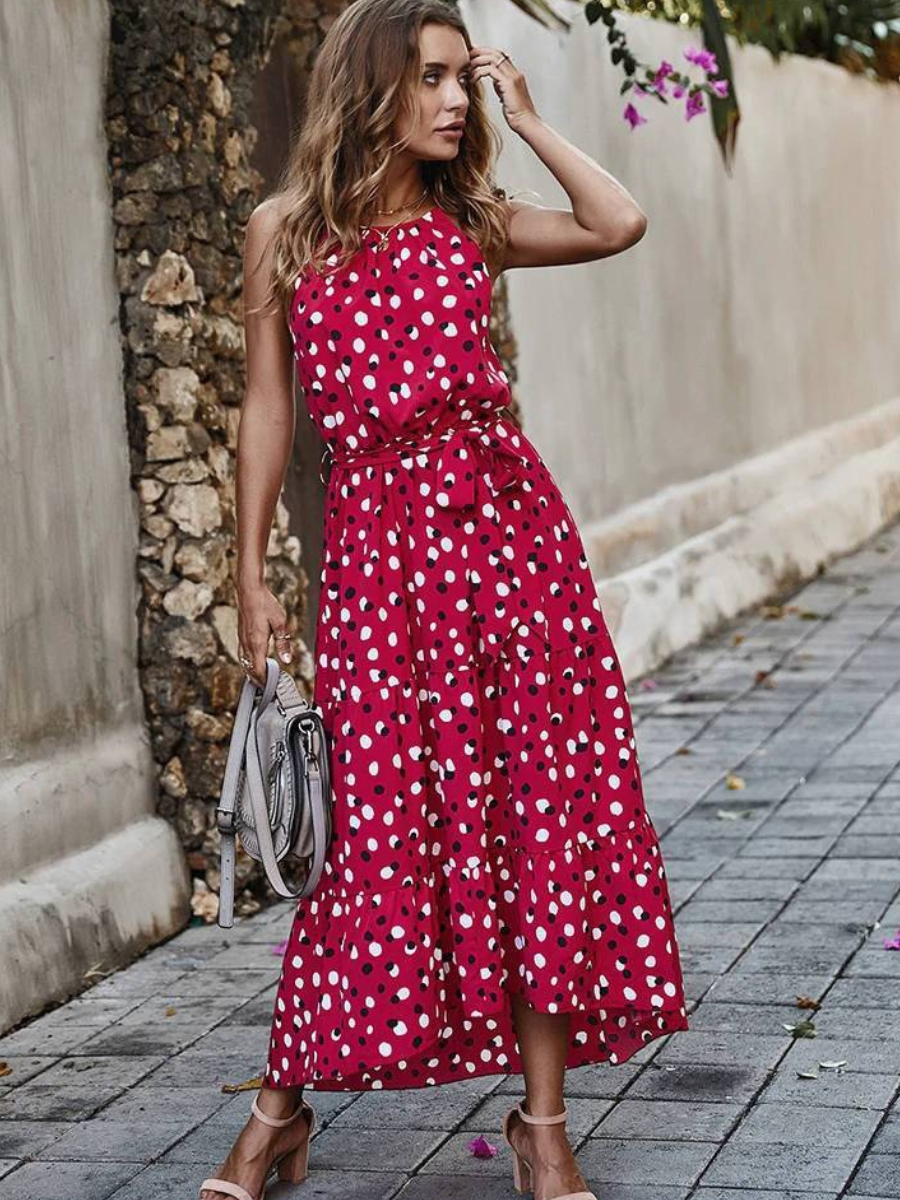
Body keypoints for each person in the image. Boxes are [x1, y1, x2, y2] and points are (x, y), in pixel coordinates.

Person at [200, 2, 689, 1199]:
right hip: (378, 570)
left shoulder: (472, 220)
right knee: (372, 833)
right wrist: (254, 569)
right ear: (371, 85)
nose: (456, 100)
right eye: (433, 78)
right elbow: (270, 411)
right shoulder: (285, 233)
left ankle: (544, 1123)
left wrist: (528, 114)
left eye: (463, 79)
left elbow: (616, 220)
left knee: (535, 818)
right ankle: (280, 1110)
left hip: (513, 554)